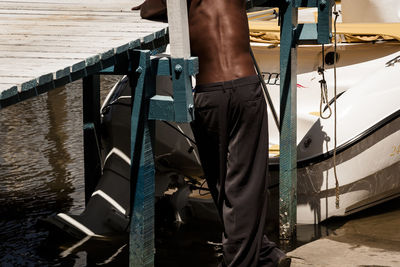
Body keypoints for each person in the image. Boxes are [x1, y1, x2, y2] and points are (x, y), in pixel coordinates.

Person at [134, 1, 291, 266]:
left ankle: (256, 256)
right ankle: (257, 255)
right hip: (245, 89)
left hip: (209, 95)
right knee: (245, 185)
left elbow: (148, 11)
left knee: (221, 183)